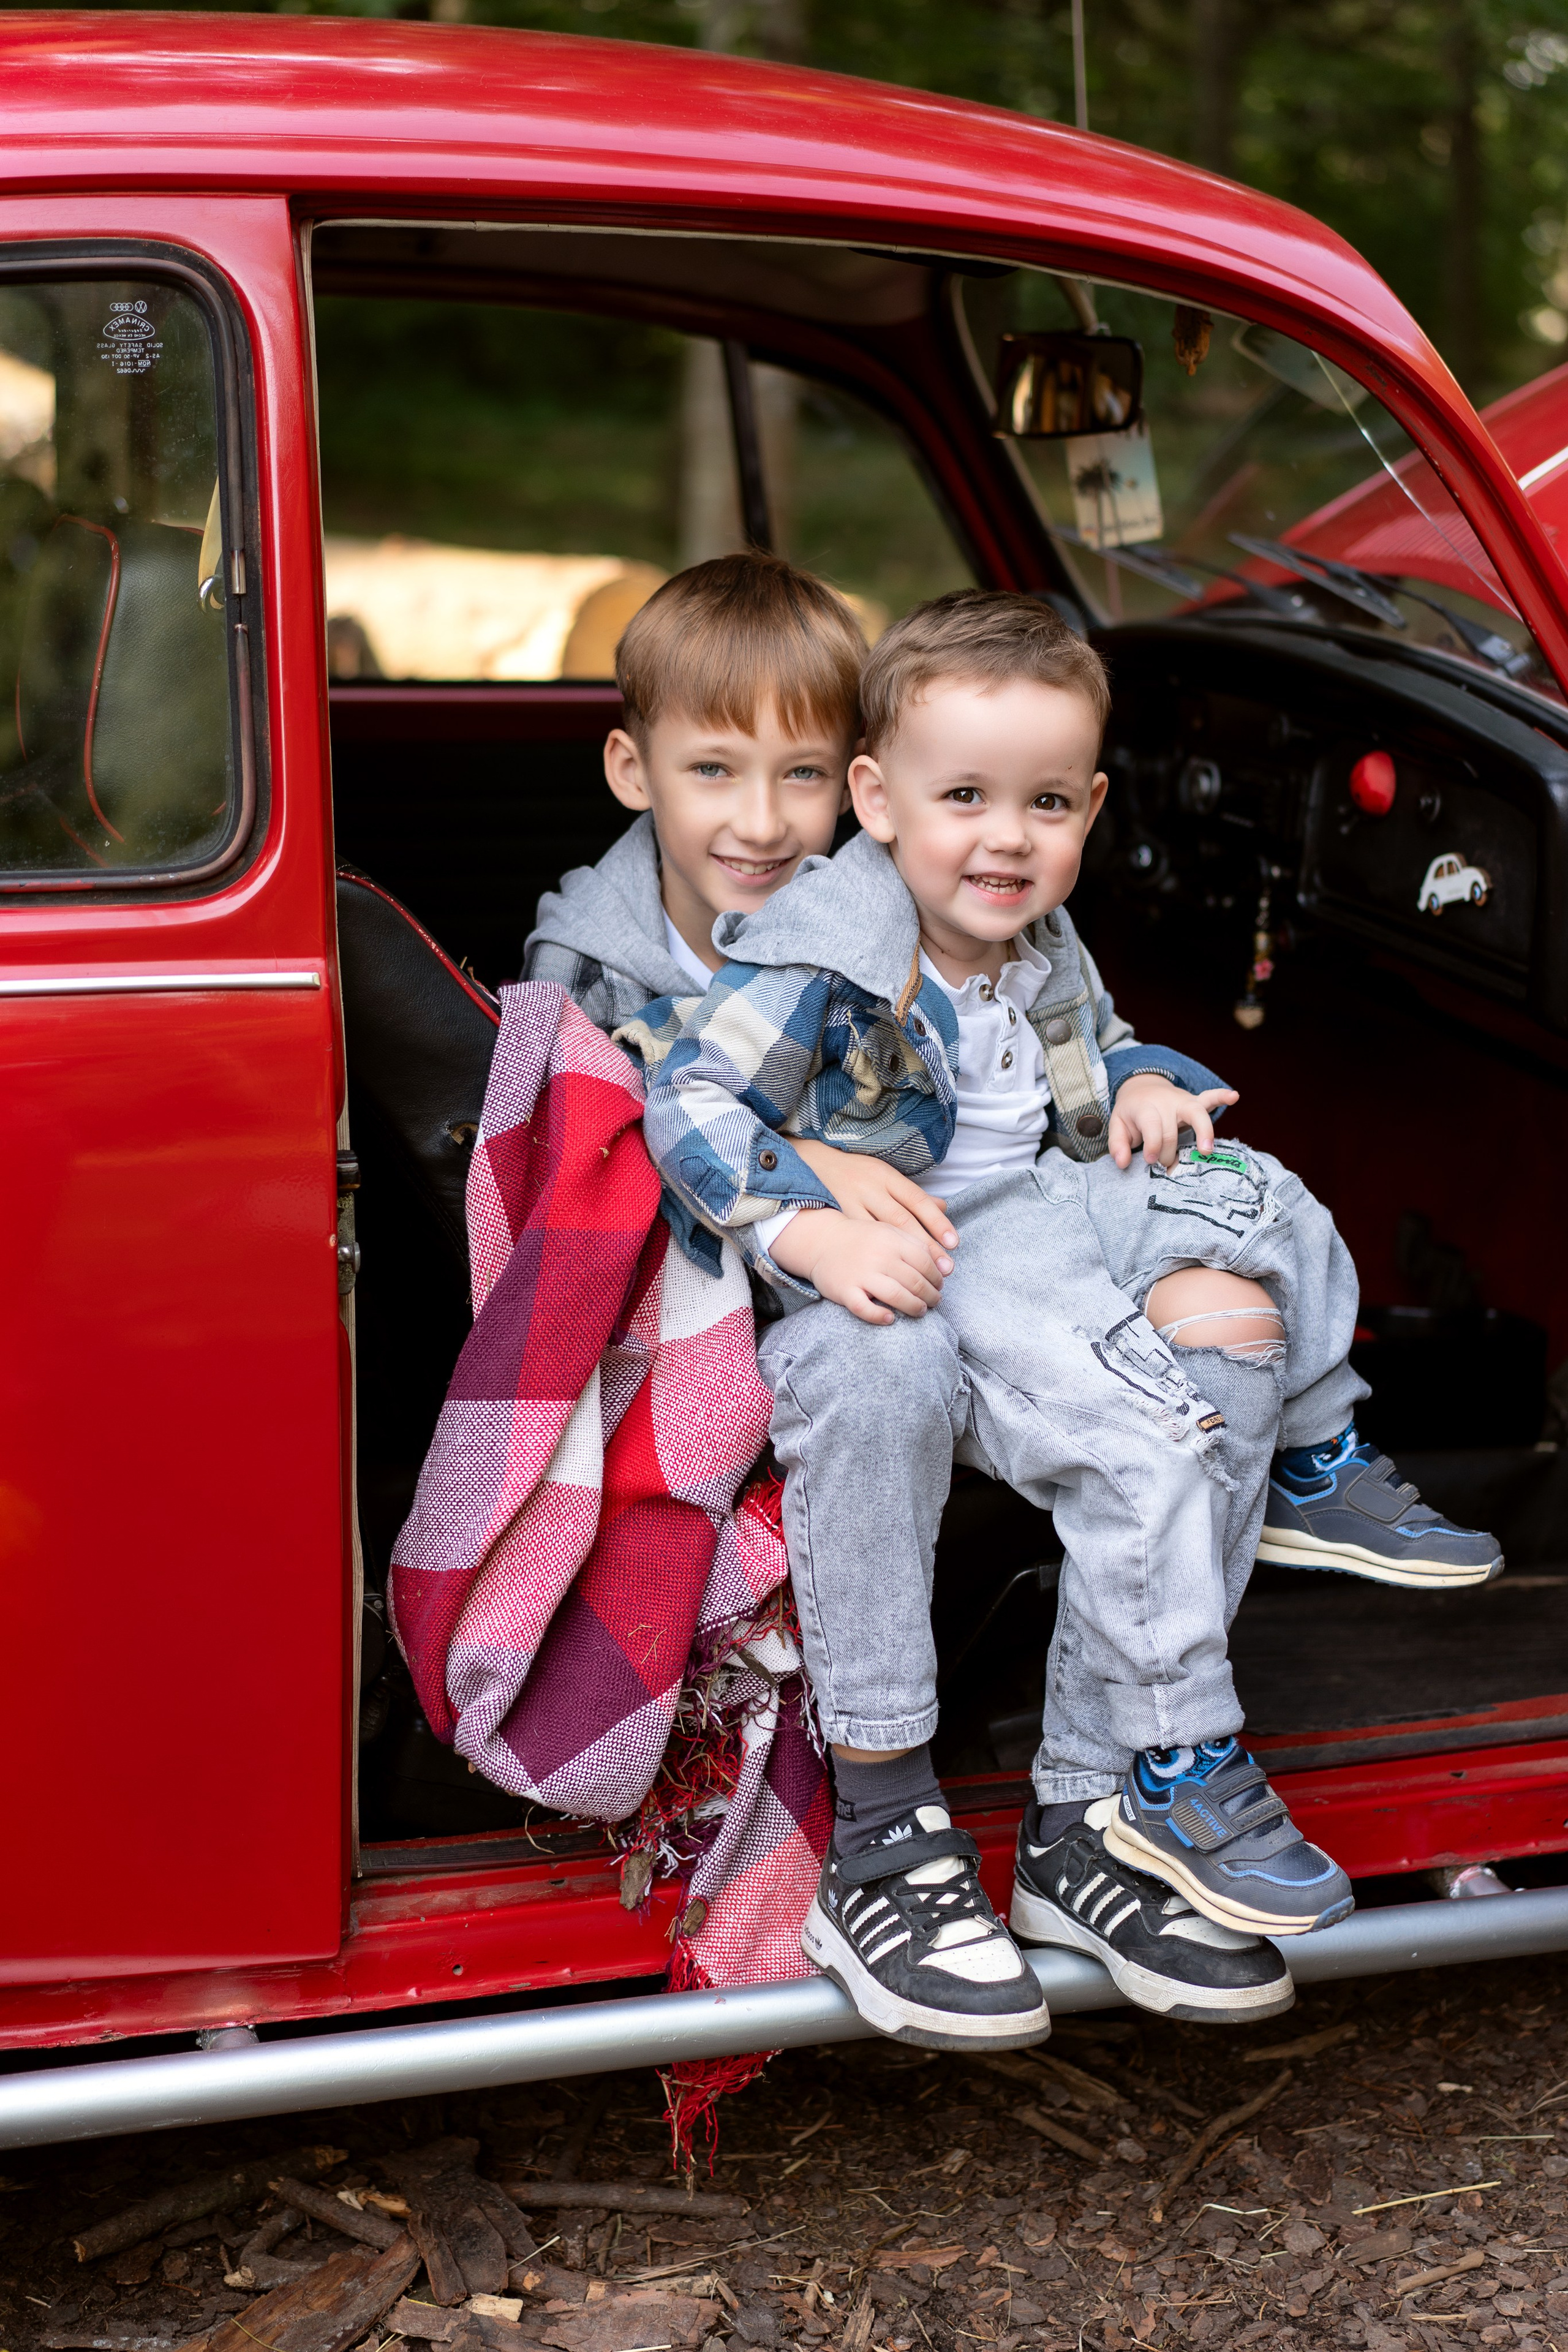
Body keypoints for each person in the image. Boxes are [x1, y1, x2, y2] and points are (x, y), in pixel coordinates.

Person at [642, 589, 1501, 2049]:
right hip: (934, 1247)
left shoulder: (1033, 941)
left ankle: (1303, 1467)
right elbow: (690, 1101)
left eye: (1044, 804)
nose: (1003, 836)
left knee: (1249, 1193)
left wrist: (1150, 1084)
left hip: (1047, 1200)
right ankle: (1138, 1764)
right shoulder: (826, 949)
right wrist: (806, 1220)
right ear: (876, 799)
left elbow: (1086, 1063)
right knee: (1142, 1430)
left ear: (1091, 807)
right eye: (963, 797)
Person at [524, 551, 866, 1022]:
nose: (761, 827)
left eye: (803, 773)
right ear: (632, 771)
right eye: (712, 769)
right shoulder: (573, 984)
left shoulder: (883, 952)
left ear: (851, 781)